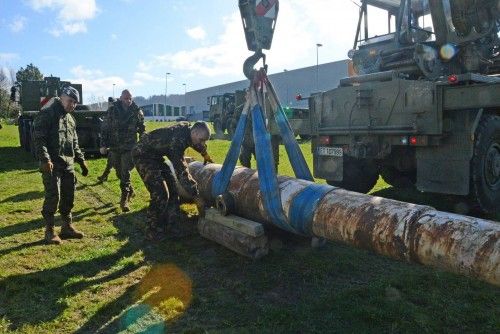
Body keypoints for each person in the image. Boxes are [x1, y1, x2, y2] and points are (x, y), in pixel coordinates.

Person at [132, 121, 213, 240]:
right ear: (194, 132)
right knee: (160, 193)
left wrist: (205, 153)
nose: (202, 143)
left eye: (204, 141)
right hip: (142, 155)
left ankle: (172, 225)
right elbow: (181, 171)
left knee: (173, 189)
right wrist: (196, 196)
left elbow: (195, 143)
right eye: (201, 140)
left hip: (156, 156)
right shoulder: (178, 141)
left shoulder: (189, 132)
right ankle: (152, 230)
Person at [32, 86, 89, 244]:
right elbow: (39, 138)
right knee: (53, 197)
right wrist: (45, 159)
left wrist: (82, 161)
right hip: (52, 165)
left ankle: (66, 227)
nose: (73, 105)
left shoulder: (70, 118)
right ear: (62, 98)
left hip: (68, 165)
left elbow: (74, 142)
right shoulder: (48, 113)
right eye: (70, 101)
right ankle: (49, 231)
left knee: (68, 196)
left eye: (75, 103)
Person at [101, 90, 145, 212]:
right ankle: (130, 190)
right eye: (125, 99)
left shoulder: (137, 111)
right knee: (119, 173)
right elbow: (105, 128)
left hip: (129, 147)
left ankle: (124, 200)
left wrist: (143, 144)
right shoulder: (112, 110)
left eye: (130, 98)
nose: (128, 101)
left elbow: (142, 129)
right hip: (114, 146)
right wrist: (103, 145)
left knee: (125, 172)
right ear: (120, 98)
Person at [97, 97, 116, 183]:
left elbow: (105, 126)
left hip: (116, 141)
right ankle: (105, 175)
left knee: (114, 160)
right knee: (111, 159)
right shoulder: (112, 111)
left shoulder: (113, 111)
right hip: (113, 140)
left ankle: (105, 175)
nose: (110, 105)